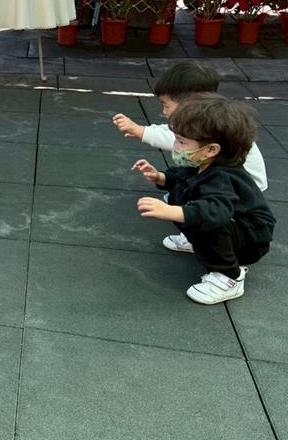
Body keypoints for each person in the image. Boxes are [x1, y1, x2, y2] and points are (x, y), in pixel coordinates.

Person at [132, 95, 275, 304]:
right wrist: (159, 177)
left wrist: (170, 211)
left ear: (211, 149)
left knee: (205, 219)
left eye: (182, 142)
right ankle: (199, 243)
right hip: (233, 225)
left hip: (250, 240)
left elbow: (215, 212)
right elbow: (180, 177)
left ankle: (230, 276)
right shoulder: (201, 163)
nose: (176, 146)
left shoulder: (222, 177)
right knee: (180, 195)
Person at [112, 61, 267, 254]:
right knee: (182, 188)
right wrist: (162, 177)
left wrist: (140, 131)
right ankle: (196, 221)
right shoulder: (209, 117)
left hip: (239, 188)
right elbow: (173, 132)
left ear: (189, 104)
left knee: (206, 211)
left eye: (166, 105)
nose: (164, 111)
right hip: (228, 178)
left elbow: (170, 137)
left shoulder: (207, 130)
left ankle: (213, 257)